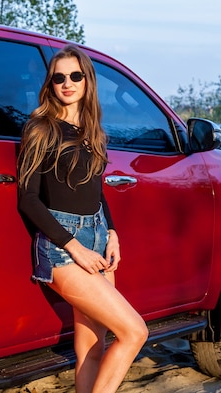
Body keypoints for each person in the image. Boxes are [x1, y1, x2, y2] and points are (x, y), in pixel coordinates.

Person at [17, 45, 148, 393]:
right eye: (59, 78)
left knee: (92, 348)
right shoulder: (40, 128)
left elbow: (96, 190)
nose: (67, 83)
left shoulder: (93, 132)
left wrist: (114, 233)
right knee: (135, 332)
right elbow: (28, 199)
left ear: (87, 81)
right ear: (51, 84)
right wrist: (75, 248)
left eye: (75, 76)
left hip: (98, 237)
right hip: (62, 248)